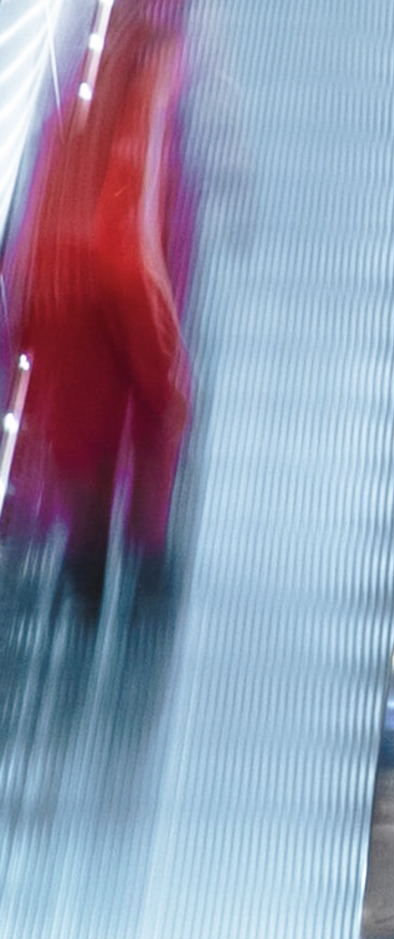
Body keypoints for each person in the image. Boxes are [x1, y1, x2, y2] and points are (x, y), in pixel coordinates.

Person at [2, 0, 192, 611]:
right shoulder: (154, 48)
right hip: (112, 261)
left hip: (46, 265)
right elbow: (131, 182)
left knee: (80, 424)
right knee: (162, 401)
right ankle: (144, 559)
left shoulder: (70, 52)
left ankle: (88, 566)